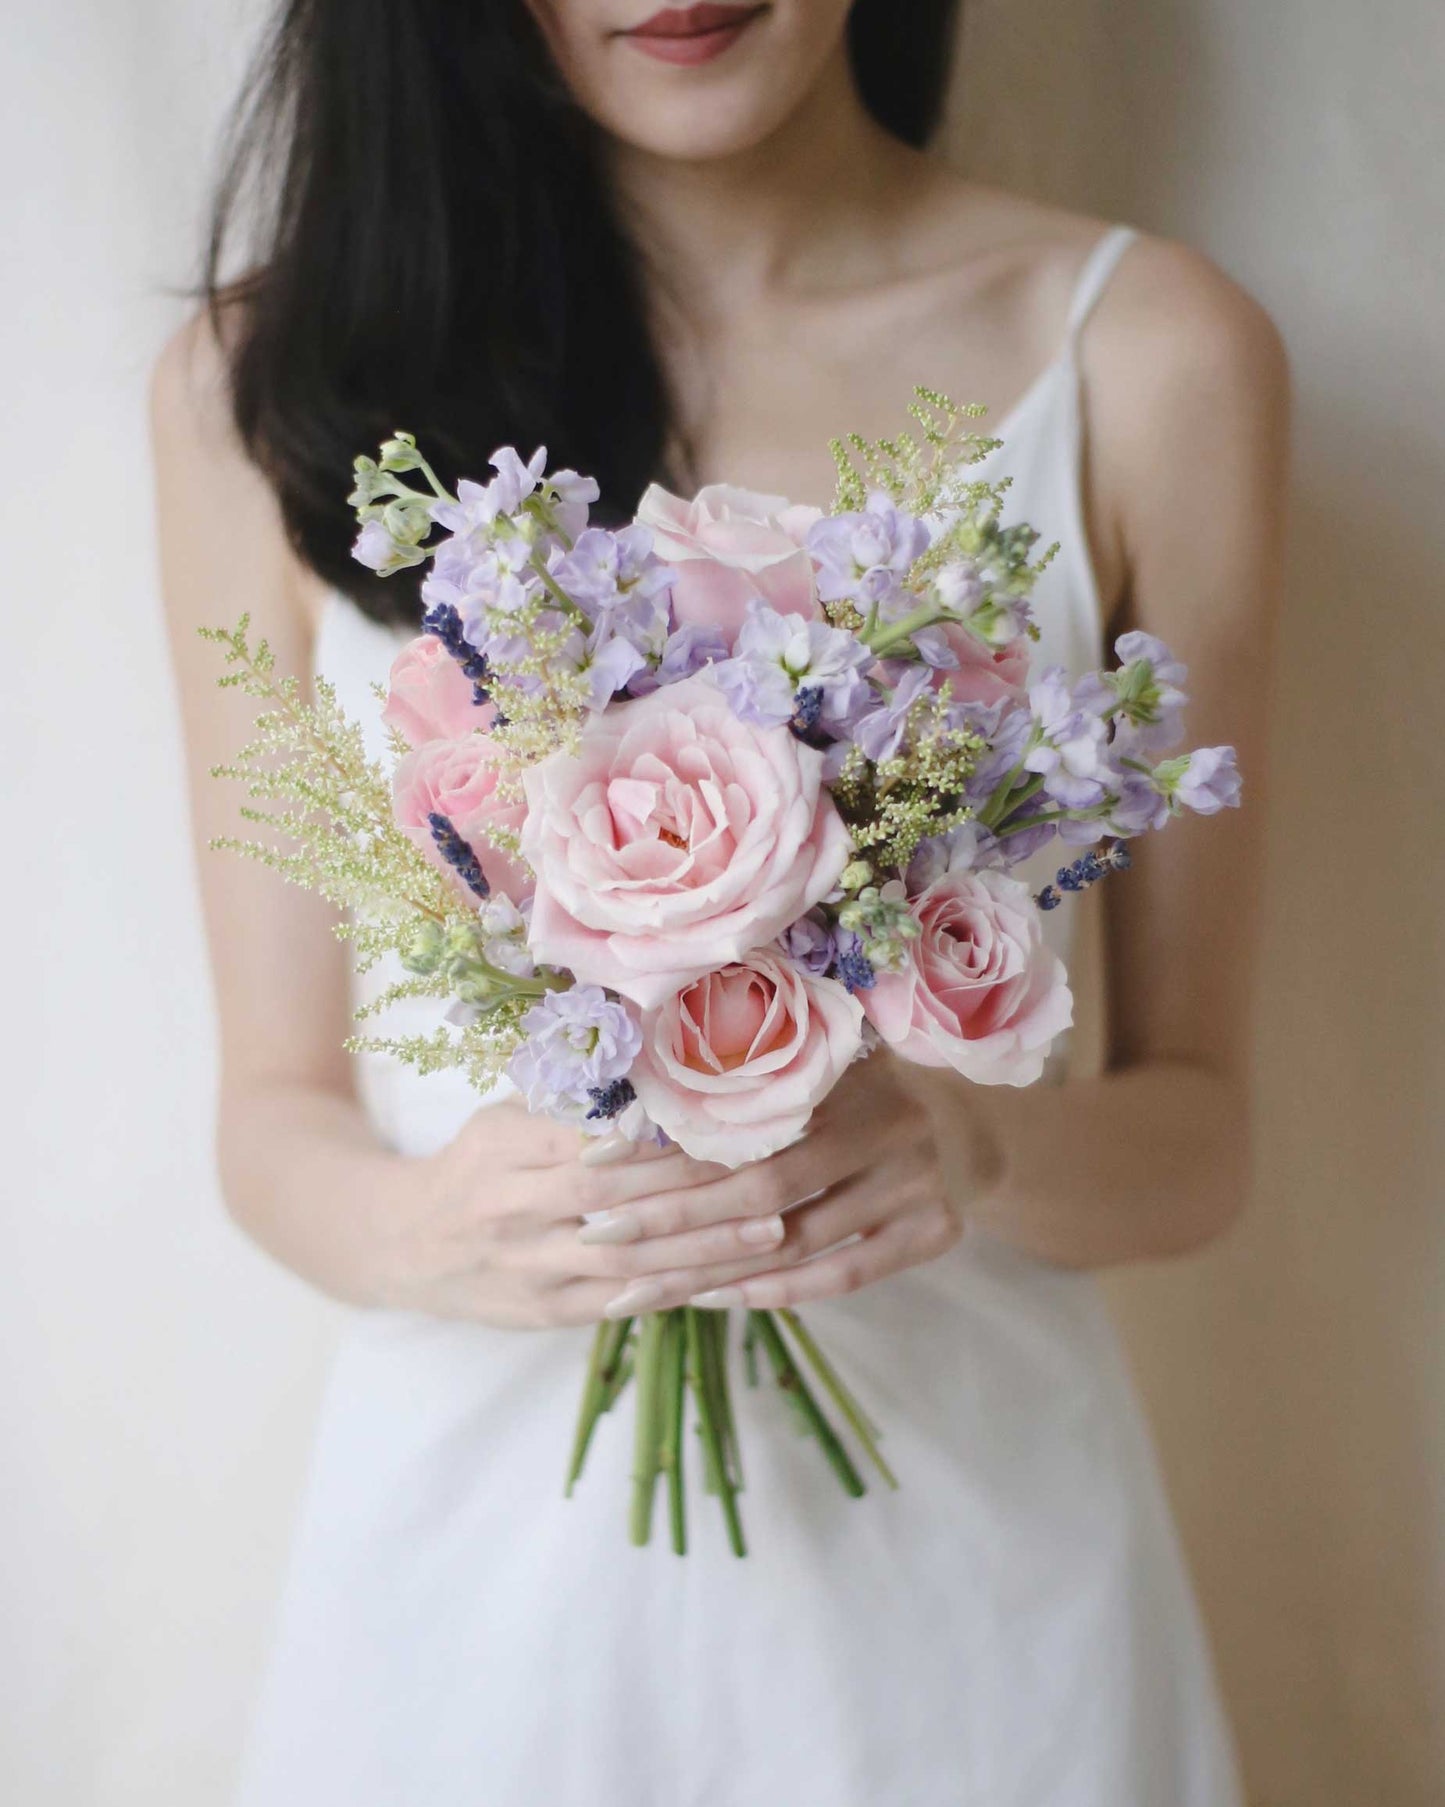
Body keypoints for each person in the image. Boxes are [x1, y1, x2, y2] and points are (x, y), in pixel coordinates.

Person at [153, 2, 1289, 1801]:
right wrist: (436, 1227)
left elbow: (1201, 1134)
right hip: (474, 1595)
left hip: (978, 1598)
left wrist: (969, 1150)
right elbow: (270, 1110)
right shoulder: (277, 375)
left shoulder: (1145, 352)